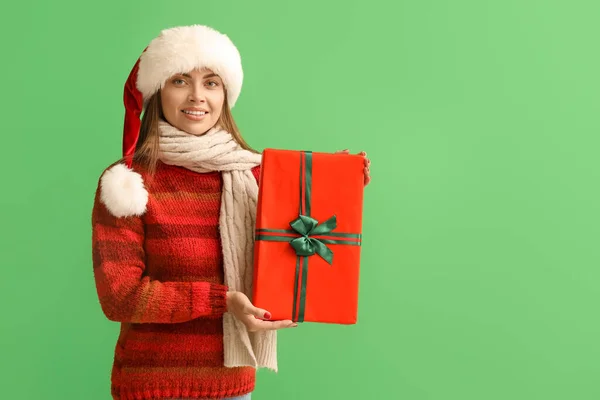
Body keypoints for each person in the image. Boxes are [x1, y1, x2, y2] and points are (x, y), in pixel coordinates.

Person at [91, 24, 371, 400]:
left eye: (211, 82)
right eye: (179, 81)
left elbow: (298, 229)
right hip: (151, 386)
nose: (197, 96)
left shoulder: (254, 176)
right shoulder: (128, 184)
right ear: (158, 91)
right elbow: (121, 296)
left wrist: (335, 182)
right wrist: (221, 300)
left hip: (232, 389)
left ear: (225, 93)